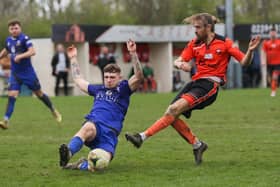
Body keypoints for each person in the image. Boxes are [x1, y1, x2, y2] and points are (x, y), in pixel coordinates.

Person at [125, 13, 260, 165]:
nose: (194, 31)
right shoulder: (194, 44)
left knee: (173, 110)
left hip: (210, 85)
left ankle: (141, 137)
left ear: (208, 27)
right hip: (195, 84)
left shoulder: (224, 43)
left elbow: (244, 62)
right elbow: (179, 60)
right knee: (171, 113)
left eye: (197, 27)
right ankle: (198, 145)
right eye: (194, 27)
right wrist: (180, 64)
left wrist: (250, 50)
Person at [59, 39, 143, 172]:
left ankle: (80, 165)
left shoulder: (124, 89)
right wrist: (73, 58)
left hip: (110, 134)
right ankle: (68, 153)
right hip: (96, 124)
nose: (109, 80)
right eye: (106, 77)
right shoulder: (99, 89)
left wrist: (133, 53)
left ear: (119, 78)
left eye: (112, 77)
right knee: (88, 127)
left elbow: (138, 76)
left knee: (99, 165)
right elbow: (78, 80)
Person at [0, 20, 62, 130]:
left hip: (28, 74)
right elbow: (6, 50)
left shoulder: (25, 39)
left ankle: (53, 109)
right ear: (9, 30)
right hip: (15, 74)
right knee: (11, 96)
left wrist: (20, 56)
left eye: (16, 28)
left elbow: (32, 51)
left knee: (39, 94)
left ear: (20, 28)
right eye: (12, 29)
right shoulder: (8, 40)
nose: (14, 30)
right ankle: (5, 120)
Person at [261, 27, 280, 96]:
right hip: (269, 64)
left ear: (276, 33)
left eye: (274, 32)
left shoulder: (279, 42)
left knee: (274, 77)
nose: (273, 34)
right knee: (270, 79)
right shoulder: (266, 43)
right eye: (271, 32)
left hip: (278, 64)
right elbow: (263, 52)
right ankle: (274, 86)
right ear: (269, 34)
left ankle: (273, 92)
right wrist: (263, 61)